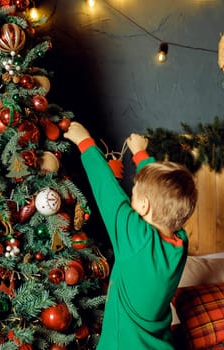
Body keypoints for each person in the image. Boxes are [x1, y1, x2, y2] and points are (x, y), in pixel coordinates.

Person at [64, 122, 198, 349]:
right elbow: (163, 191)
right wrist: (140, 155)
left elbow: (107, 189)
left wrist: (84, 142)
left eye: (133, 195)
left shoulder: (136, 238)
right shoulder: (180, 242)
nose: (130, 199)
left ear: (144, 206)